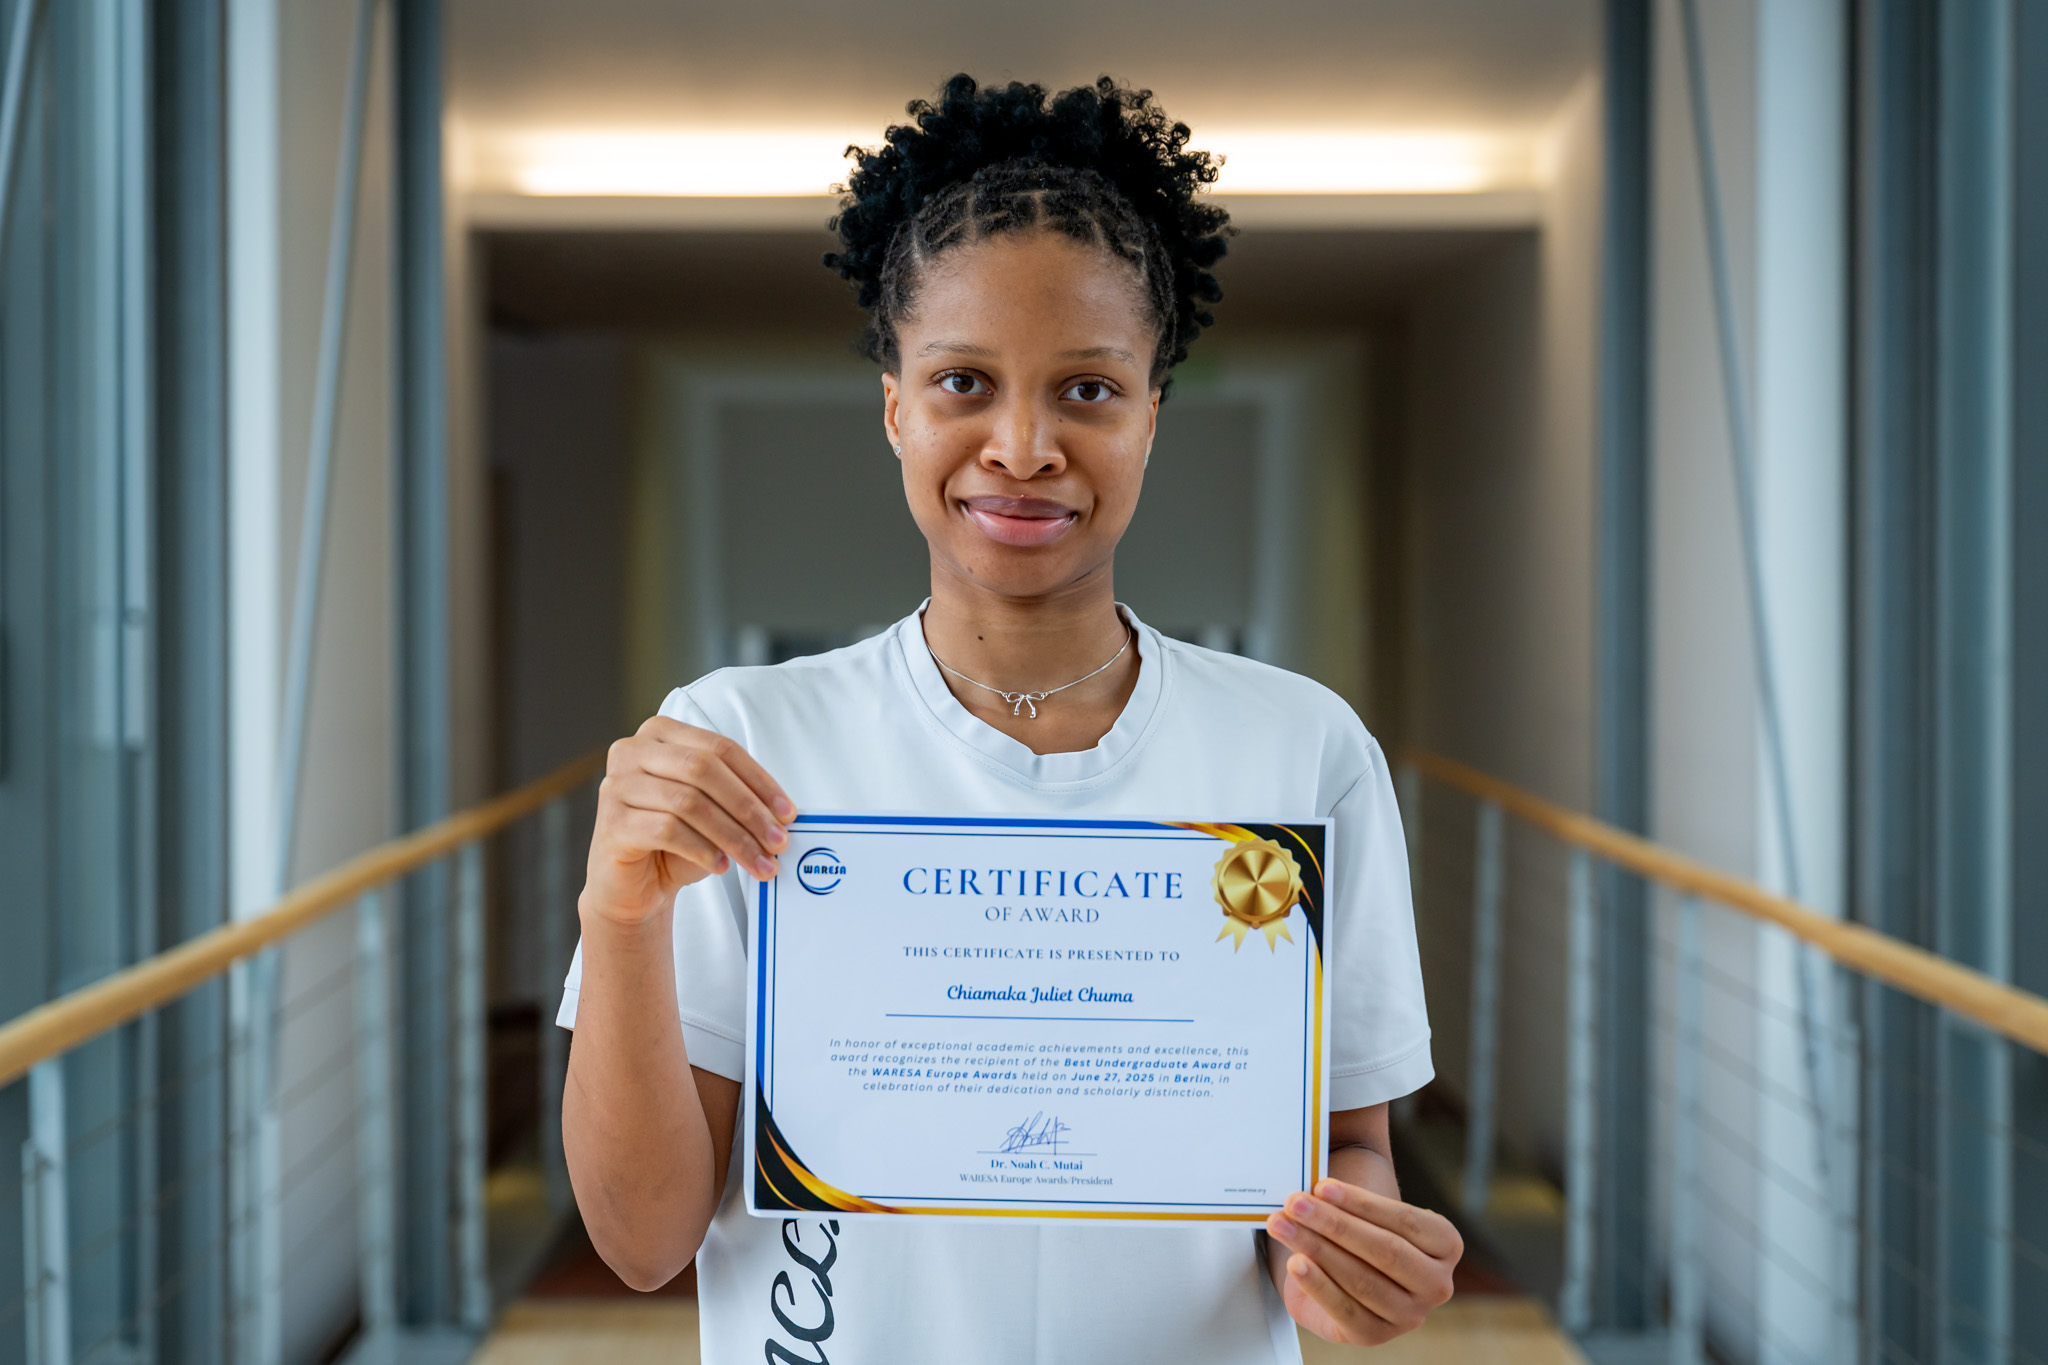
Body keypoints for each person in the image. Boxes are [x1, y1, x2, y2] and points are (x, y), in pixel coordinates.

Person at [558, 74, 1460, 1363]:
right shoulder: (742, 744)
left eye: (1088, 389)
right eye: (964, 381)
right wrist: (618, 913)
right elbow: (644, 1243)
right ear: (894, 407)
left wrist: (1358, 1246)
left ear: (1154, 411)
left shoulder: (1301, 748)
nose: (1023, 445)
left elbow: (1346, 1149)